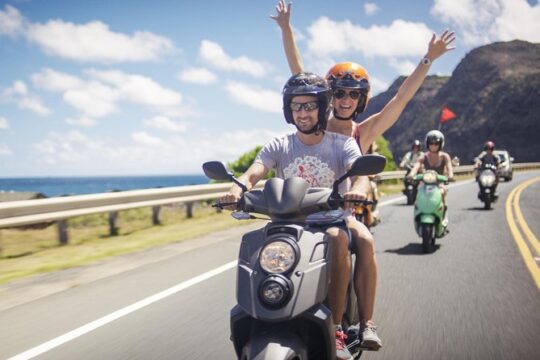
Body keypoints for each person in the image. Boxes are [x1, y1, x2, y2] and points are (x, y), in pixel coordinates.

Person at [271, 0, 455, 348]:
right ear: (326, 94)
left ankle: (366, 323)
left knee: (366, 240)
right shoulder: (313, 122)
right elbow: (298, 70)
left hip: (341, 213)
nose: (343, 99)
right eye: (337, 92)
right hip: (298, 212)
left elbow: (401, 98)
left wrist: (428, 58)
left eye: (352, 94)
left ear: (361, 99)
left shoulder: (365, 132)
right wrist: (286, 29)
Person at [220, 73, 373, 360]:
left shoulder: (342, 145)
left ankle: (338, 328)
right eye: (296, 106)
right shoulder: (280, 144)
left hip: (330, 221)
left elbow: (360, 174)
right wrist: (236, 189)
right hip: (288, 225)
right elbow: (253, 172)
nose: (302, 113)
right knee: (253, 240)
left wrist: (361, 190)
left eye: (309, 106)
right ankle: (256, 316)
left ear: (322, 106)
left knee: (338, 237)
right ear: (288, 110)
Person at [407, 130, 454, 225]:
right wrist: (411, 174)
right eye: (431, 143)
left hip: (439, 183)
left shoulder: (445, 156)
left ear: (441, 144)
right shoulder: (423, 156)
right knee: (419, 193)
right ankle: (419, 215)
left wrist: (450, 176)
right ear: (427, 144)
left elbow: (449, 167)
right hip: (425, 183)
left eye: (436, 143)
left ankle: (443, 216)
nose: (433, 145)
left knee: (442, 193)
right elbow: (417, 165)